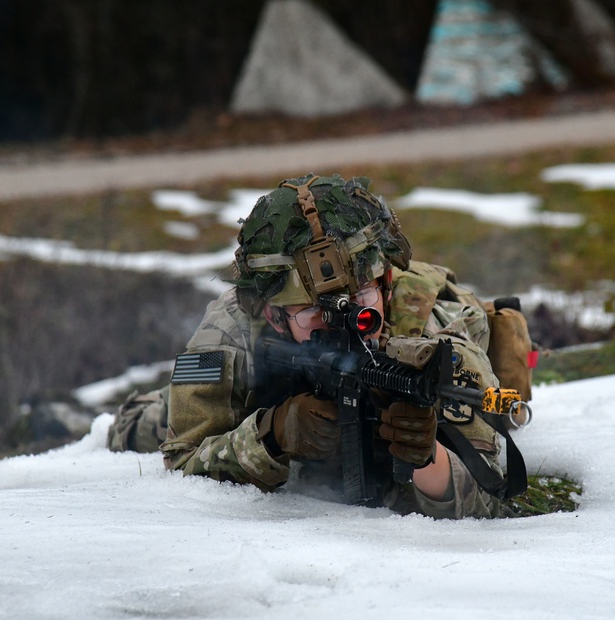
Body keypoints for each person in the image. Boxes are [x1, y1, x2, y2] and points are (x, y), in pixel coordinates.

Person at [108, 174, 512, 519]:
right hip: (251, 392)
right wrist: (272, 433)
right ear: (272, 315)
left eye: (362, 301)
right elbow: (182, 464)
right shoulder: (231, 331)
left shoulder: (436, 336)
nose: (343, 322)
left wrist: (429, 459)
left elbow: (494, 497)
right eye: (313, 313)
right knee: (142, 425)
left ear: (387, 282)